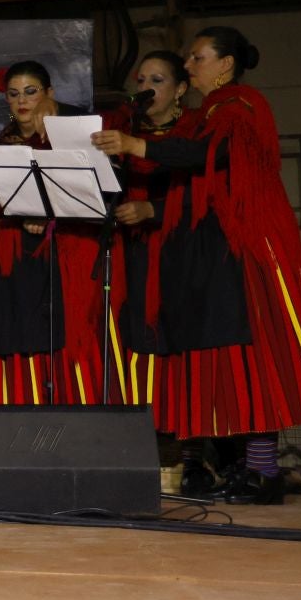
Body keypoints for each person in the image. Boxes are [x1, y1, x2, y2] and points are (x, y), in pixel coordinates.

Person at [92, 26, 301, 503]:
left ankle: (262, 472)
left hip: (247, 248)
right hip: (217, 251)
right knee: (230, 360)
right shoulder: (211, 113)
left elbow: (207, 155)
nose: (191, 65)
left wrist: (136, 147)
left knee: (253, 359)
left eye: (197, 58)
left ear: (225, 65)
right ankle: (252, 469)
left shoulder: (239, 106)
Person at [0, 61, 103, 407]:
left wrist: (49, 218)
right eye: (14, 94)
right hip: (13, 259)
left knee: (66, 341)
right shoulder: (1, 143)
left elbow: (93, 195)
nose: (22, 101)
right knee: (17, 340)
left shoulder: (71, 136)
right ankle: (23, 427)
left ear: (49, 94)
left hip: (64, 257)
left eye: (31, 92)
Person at [100, 50, 194, 436]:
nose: (146, 88)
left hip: (184, 253)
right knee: (137, 338)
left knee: (182, 341)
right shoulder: (126, 132)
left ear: (180, 90)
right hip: (133, 253)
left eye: (157, 81)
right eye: (140, 81)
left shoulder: (194, 130)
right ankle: (145, 439)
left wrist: (154, 210)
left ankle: (189, 452)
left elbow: (206, 195)